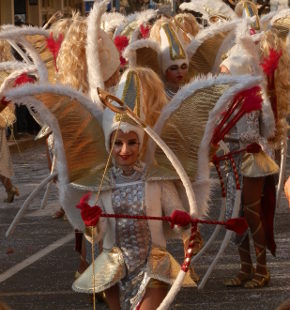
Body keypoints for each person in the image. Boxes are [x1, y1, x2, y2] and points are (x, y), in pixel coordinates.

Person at [72, 67, 196, 309]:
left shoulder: (156, 178)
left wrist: (181, 221)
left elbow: (180, 220)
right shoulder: (102, 183)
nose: (125, 150)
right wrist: (91, 222)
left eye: (131, 142)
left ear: (141, 142)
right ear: (109, 144)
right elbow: (95, 236)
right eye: (117, 143)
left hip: (154, 263)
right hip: (114, 267)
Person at [220, 41, 279, 289]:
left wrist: (230, 138)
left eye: (226, 73)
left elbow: (261, 132)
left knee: (252, 212)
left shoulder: (254, 98)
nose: (222, 78)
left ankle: (262, 269)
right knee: (234, 215)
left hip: (252, 158)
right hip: (231, 159)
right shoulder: (225, 99)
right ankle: (245, 268)